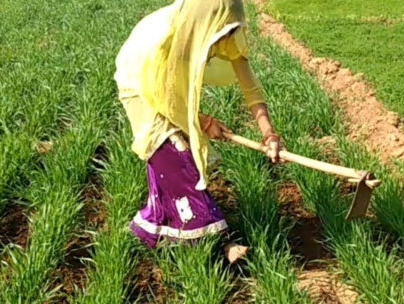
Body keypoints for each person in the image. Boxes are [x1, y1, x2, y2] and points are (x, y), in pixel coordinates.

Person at [114, 0, 283, 259]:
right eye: (224, 31)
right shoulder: (168, 44)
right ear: (205, 24)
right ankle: (219, 242)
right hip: (141, 83)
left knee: (178, 160)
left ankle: (151, 228)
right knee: (174, 153)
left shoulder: (224, 31)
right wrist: (204, 123)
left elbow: (251, 88)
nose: (227, 36)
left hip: (167, 89)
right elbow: (166, 97)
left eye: (230, 30)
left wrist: (269, 133)